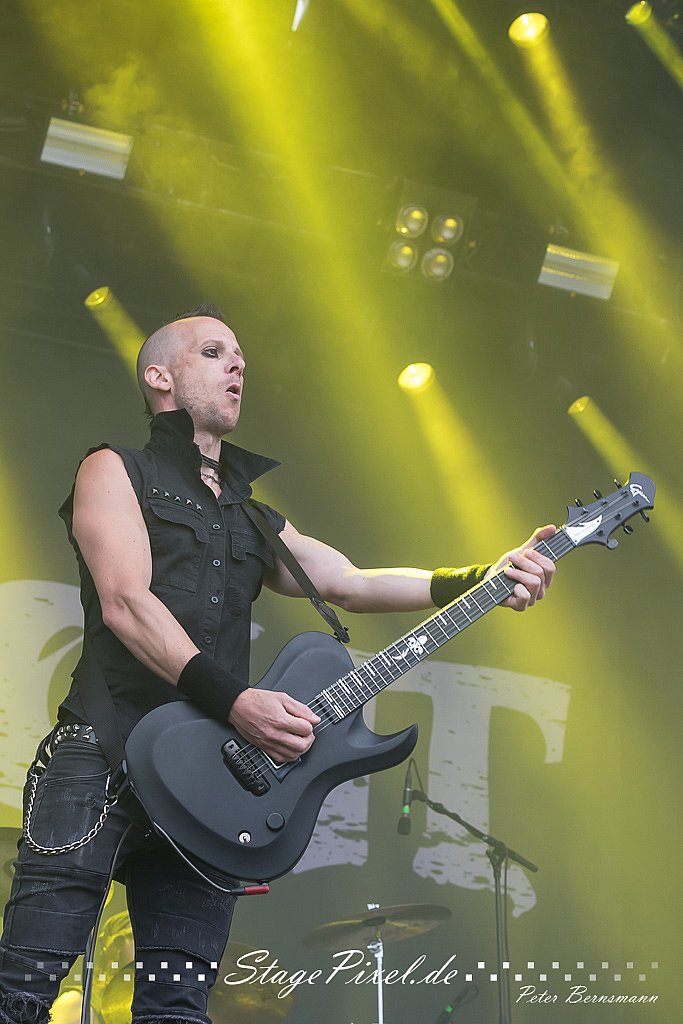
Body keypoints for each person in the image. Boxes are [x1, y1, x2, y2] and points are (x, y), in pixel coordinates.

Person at [0, 304, 556, 1024]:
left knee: (177, 1009)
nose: (236, 365)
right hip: (103, 753)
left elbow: (349, 582)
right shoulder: (114, 469)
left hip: (207, 784)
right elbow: (126, 604)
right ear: (159, 376)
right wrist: (237, 703)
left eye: (240, 357)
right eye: (213, 352)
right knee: (23, 989)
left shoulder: (251, 515)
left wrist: (485, 575)